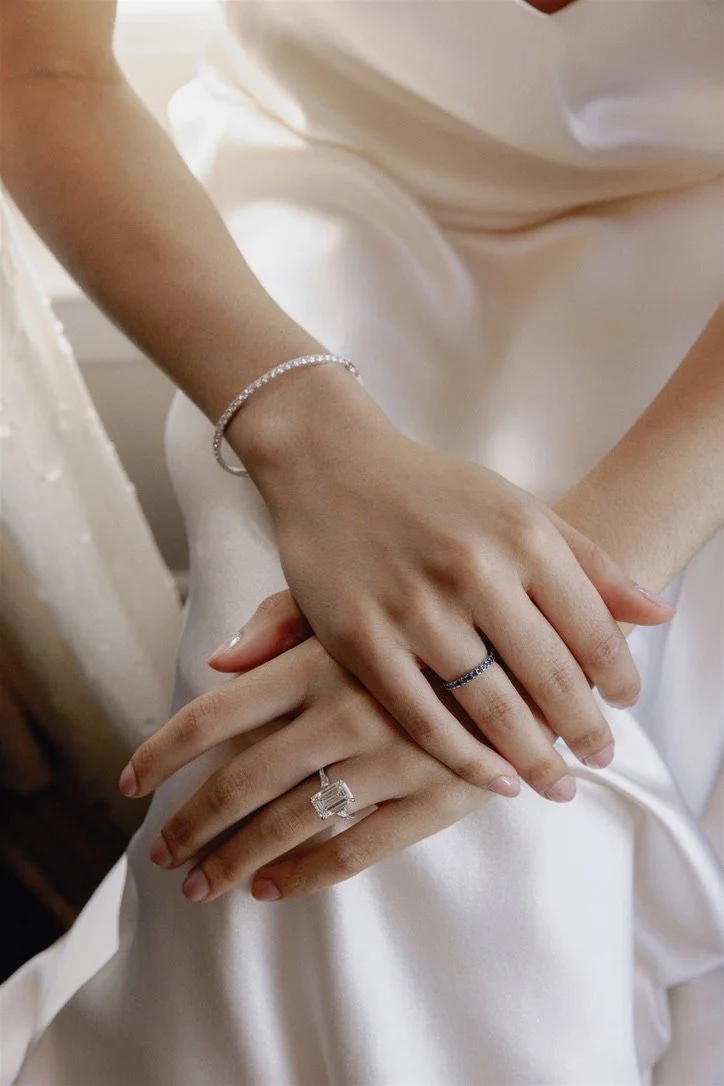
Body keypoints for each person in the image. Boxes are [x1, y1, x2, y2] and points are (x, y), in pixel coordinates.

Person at [1, 1, 722, 1083]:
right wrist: (309, 437)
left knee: (448, 768)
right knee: (314, 798)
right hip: (311, 230)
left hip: (699, 326)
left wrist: (553, 619)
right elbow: (41, 69)